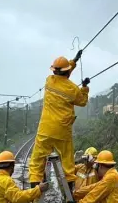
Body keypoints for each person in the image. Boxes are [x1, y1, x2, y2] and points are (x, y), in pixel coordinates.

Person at [28, 56, 90, 193]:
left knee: (37, 160)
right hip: (62, 130)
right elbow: (82, 101)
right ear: (68, 72)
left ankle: (34, 190)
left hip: (45, 129)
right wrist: (84, 88)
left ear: (55, 71)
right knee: (67, 161)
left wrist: (73, 62)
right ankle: (69, 192)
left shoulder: (49, 81)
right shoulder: (73, 89)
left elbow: (63, 73)